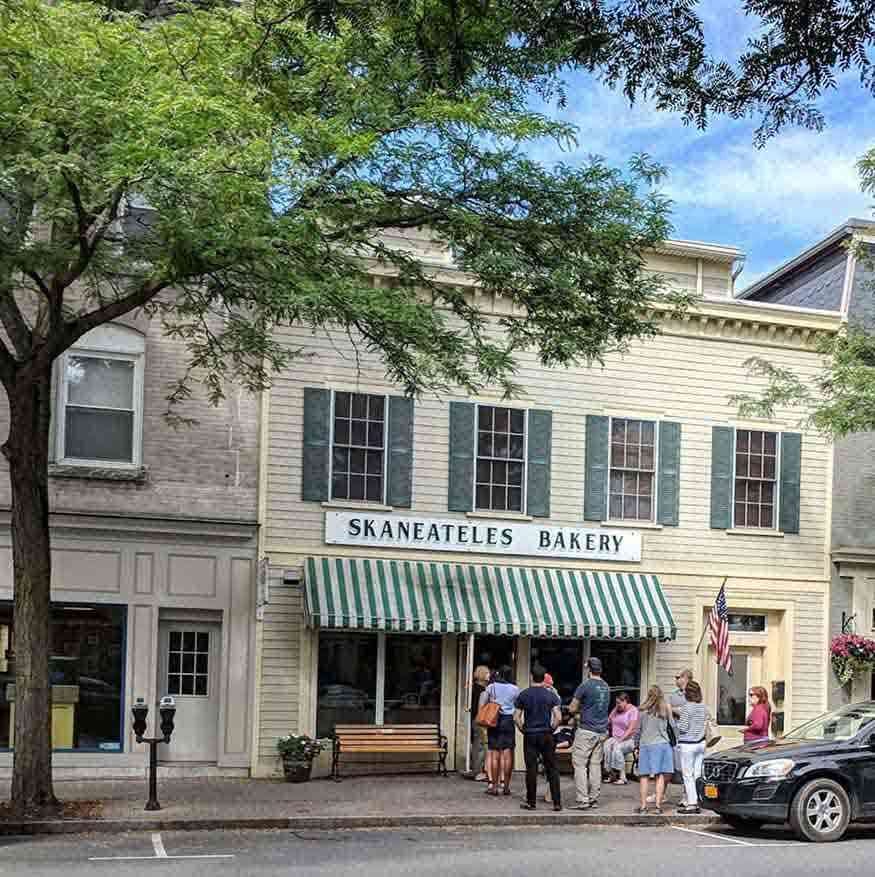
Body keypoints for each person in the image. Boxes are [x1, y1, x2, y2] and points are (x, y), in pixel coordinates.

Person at [514, 665, 563, 811]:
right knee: (552, 768)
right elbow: (558, 717)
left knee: (531, 769)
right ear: (543, 678)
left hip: (530, 734)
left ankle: (531, 802)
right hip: (546, 734)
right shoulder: (551, 695)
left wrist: (522, 729)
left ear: (531, 677)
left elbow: (516, 717)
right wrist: (552, 728)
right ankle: (557, 802)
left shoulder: (524, 695)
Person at [569, 656, 611, 810]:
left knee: (580, 765)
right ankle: (594, 798)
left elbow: (572, 708)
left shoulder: (585, 685)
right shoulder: (606, 686)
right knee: (595, 765)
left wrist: (578, 713)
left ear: (589, 670)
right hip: (602, 731)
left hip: (586, 731)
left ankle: (583, 799)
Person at [480, 665, 519, 796]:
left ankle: (494, 787)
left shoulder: (491, 687)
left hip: (494, 720)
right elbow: (518, 705)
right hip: (508, 721)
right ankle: (506, 786)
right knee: (507, 754)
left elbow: (483, 703)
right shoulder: (515, 689)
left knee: (494, 754)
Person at [636, 685, 675, 815]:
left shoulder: (642, 710)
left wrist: (636, 745)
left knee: (644, 776)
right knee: (660, 776)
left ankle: (643, 807)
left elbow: (638, 730)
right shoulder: (665, 708)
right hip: (662, 744)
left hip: (646, 744)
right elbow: (673, 726)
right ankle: (658, 806)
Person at [677, 680, 708, 814]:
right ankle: (699, 799)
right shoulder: (703, 707)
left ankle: (692, 804)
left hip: (688, 744)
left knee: (687, 775)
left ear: (688, 693)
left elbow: (683, 728)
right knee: (697, 774)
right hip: (701, 743)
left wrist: (676, 724)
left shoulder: (686, 708)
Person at [603, 692, 639, 785]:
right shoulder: (617, 709)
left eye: (619, 703)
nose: (617, 705)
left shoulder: (633, 710)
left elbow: (631, 729)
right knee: (606, 745)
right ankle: (611, 774)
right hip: (616, 737)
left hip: (630, 739)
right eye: (616, 703)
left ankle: (622, 777)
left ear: (625, 701)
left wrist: (619, 740)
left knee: (617, 748)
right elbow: (608, 720)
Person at [471, 665, 491, 781]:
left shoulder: (473, 688)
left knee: (478, 745)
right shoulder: (481, 690)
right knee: (481, 746)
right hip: (480, 720)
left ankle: (477, 770)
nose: (489, 675)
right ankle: (478, 772)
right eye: (487, 673)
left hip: (475, 719)